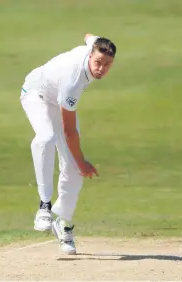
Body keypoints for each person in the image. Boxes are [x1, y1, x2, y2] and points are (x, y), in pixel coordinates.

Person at [20, 34, 116, 255]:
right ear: (90, 56)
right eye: (98, 63)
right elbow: (69, 132)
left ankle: (63, 222)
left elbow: (89, 36)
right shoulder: (74, 80)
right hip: (37, 94)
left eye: (107, 65)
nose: (101, 68)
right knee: (46, 138)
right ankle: (44, 206)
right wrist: (82, 161)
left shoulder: (95, 45)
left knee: (72, 169)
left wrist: (77, 164)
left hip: (58, 99)